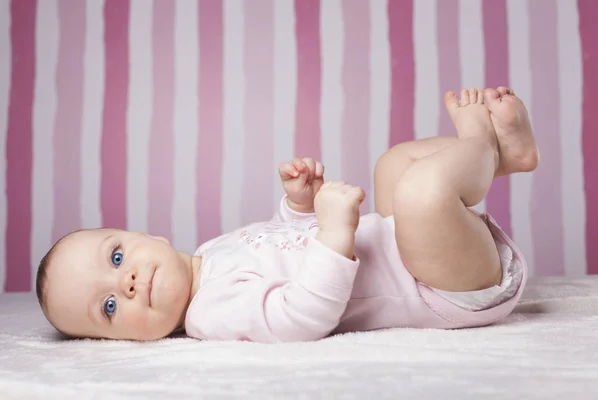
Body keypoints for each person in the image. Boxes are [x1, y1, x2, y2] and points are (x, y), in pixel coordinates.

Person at [35, 87, 539, 343]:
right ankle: (481, 145)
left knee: (393, 166)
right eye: (107, 309)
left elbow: (285, 249)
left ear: (144, 234)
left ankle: (504, 160)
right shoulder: (208, 314)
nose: (125, 283)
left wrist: (300, 207)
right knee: (418, 192)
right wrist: (337, 232)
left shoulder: (210, 255)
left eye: (117, 255)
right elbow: (300, 315)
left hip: (411, 244)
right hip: (441, 287)